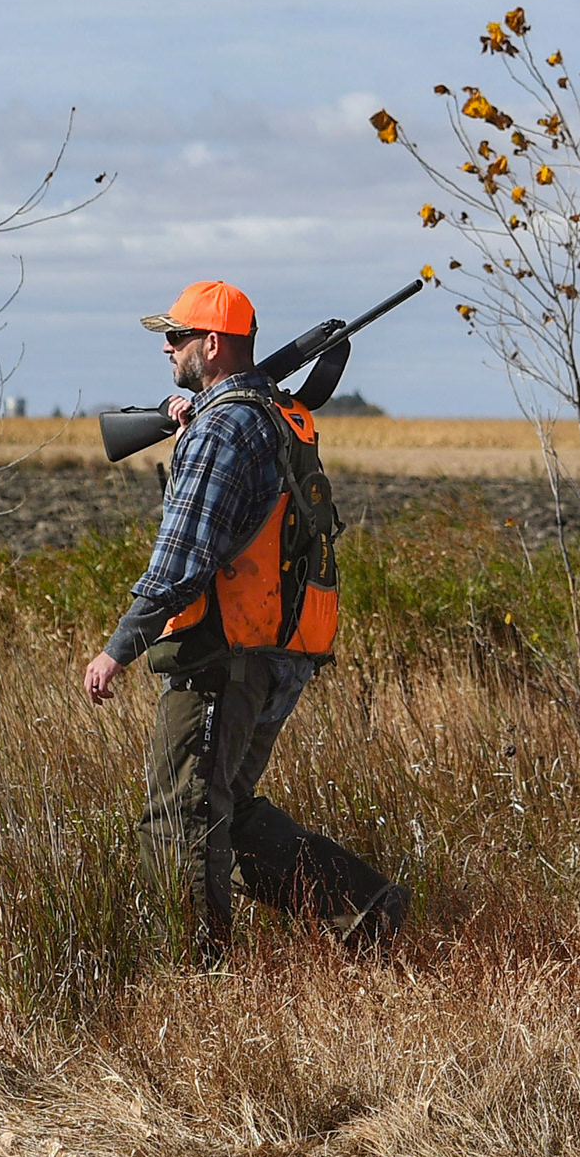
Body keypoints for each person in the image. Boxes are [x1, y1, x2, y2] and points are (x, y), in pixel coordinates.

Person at [80, 280, 407, 957]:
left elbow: (182, 559)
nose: (167, 348)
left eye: (176, 337)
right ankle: (368, 914)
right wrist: (191, 415)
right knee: (226, 804)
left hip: (218, 657)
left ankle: (190, 979)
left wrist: (118, 648)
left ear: (213, 343)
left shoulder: (225, 425)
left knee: (182, 817)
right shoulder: (255, 412)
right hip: (270, 650)